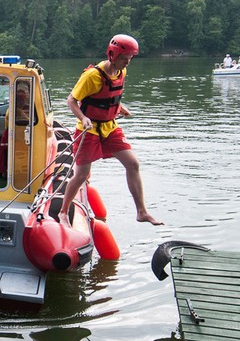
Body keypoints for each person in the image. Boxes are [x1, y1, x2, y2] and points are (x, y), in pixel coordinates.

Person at [58, 34, 162, 227]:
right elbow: (71, 100)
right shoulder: (92, 76)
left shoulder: (121, 72)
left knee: (133, 164)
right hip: (89, 130)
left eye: (130, 59)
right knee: (81, 175)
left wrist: (119, 107)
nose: (127, 63)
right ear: (113, 54)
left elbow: (108, 97)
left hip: (110, 128)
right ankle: (63, 212)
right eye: (124, 58)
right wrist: (83, 118)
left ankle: (141, 212)